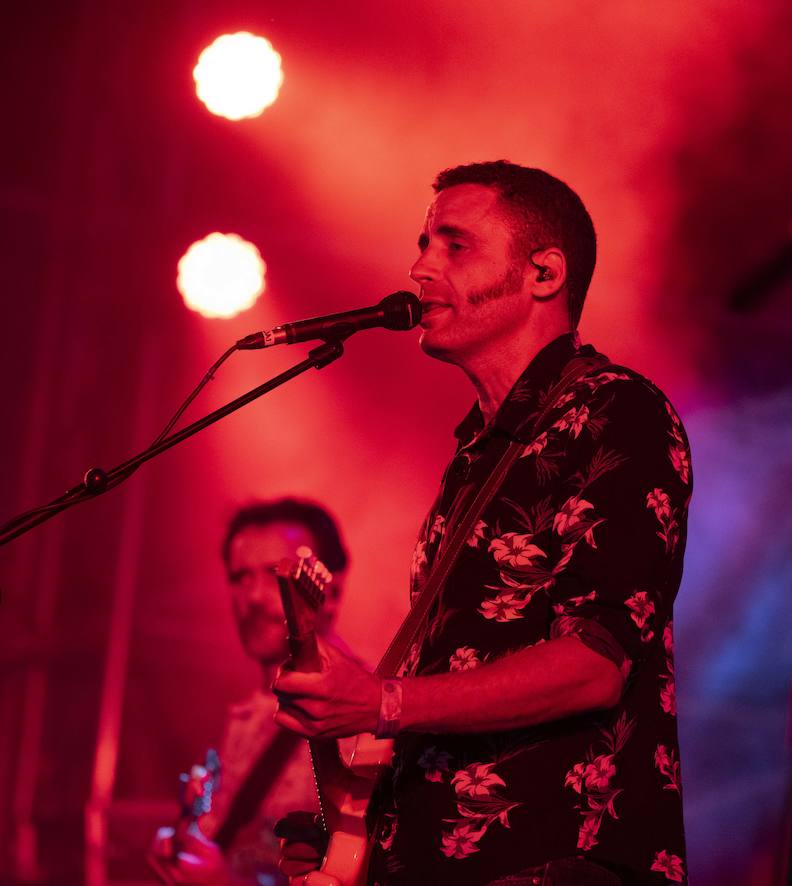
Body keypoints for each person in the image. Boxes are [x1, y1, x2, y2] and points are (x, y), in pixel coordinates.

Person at [272, 161, 692, 885]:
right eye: (423, 244)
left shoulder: (619, 413)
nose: (418, 266)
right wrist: (351, 833)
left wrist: (383, 701)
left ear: (544, 274)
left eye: (453, 245)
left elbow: (597, 664)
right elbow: (451, 698)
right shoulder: (473, 456)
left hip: (558, 862)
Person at [151, 498, 355, 886]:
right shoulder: (238, 717)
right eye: (241, 577)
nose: (254, 597)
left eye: (276, 574)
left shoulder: (361, 725)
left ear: (334, 588)